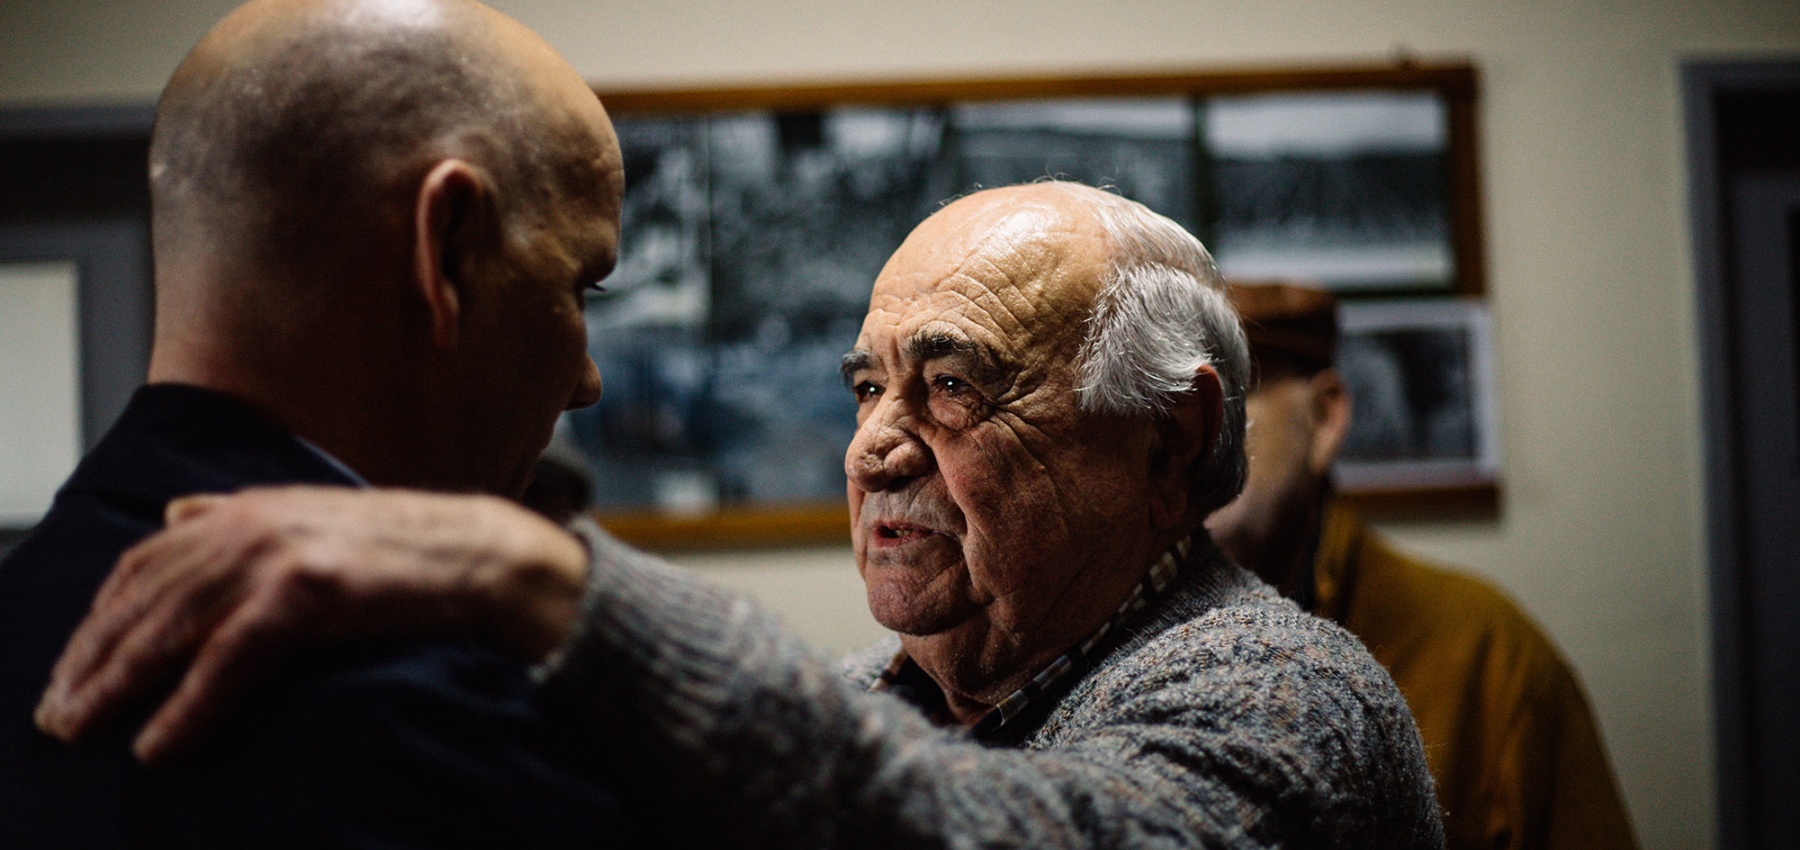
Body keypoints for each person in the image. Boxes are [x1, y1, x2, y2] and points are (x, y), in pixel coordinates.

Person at [38, 183, 1446, 848]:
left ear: (1172, 438)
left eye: (950, 385)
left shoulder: (1288, 693)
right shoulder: (861, 697)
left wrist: (549, 583)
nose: (876, 447)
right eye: (866, 387)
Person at [0, 0, 641, 846]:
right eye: (577, 289)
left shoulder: (24, 610)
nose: (587, 381)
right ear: (444, 247)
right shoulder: (432, 721)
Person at [1207, 282, 1639, 850]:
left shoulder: (1487, 656)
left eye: (1231, 399)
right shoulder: (1105, 630)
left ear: (1325, 417)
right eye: (1166, 407)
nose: (1193, 440)